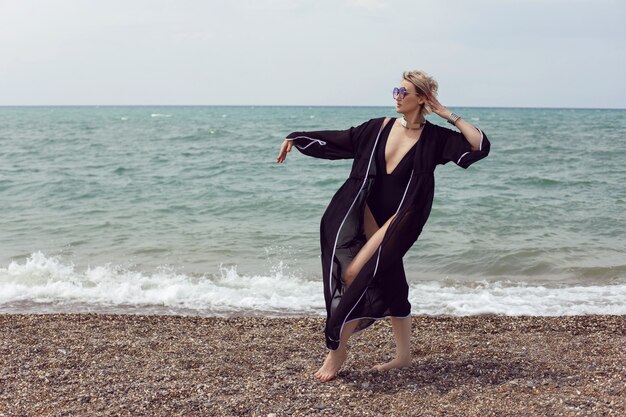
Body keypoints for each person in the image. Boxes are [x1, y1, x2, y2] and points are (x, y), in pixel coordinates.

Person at [276, 70, 490, 382]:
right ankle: (403, 356)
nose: (397, 96)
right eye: (396, 90)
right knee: (392, 282)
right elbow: (339, 141)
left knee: (352, 274)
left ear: (422, 99)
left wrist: (446, 114)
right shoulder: (378, 129)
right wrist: (296, 137)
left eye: (404, 92)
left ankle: (337, 350)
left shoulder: (435, 139)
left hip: (401, 219)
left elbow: (478, 146)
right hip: (365, 213)